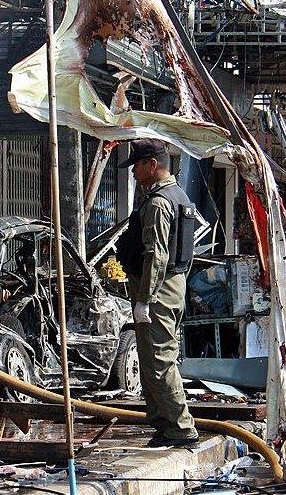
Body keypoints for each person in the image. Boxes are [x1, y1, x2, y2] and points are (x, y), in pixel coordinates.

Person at [114, 138, 199, 448]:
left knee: (160, 362)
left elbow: (157, 254)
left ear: (152, 164)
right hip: (172, 289)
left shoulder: (160, 202)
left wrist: (145, 299)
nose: (134, 172)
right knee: (152, 361)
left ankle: (181, 427)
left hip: (158, 293)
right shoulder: (178, 197)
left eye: (136, 165)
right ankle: (164, 423)